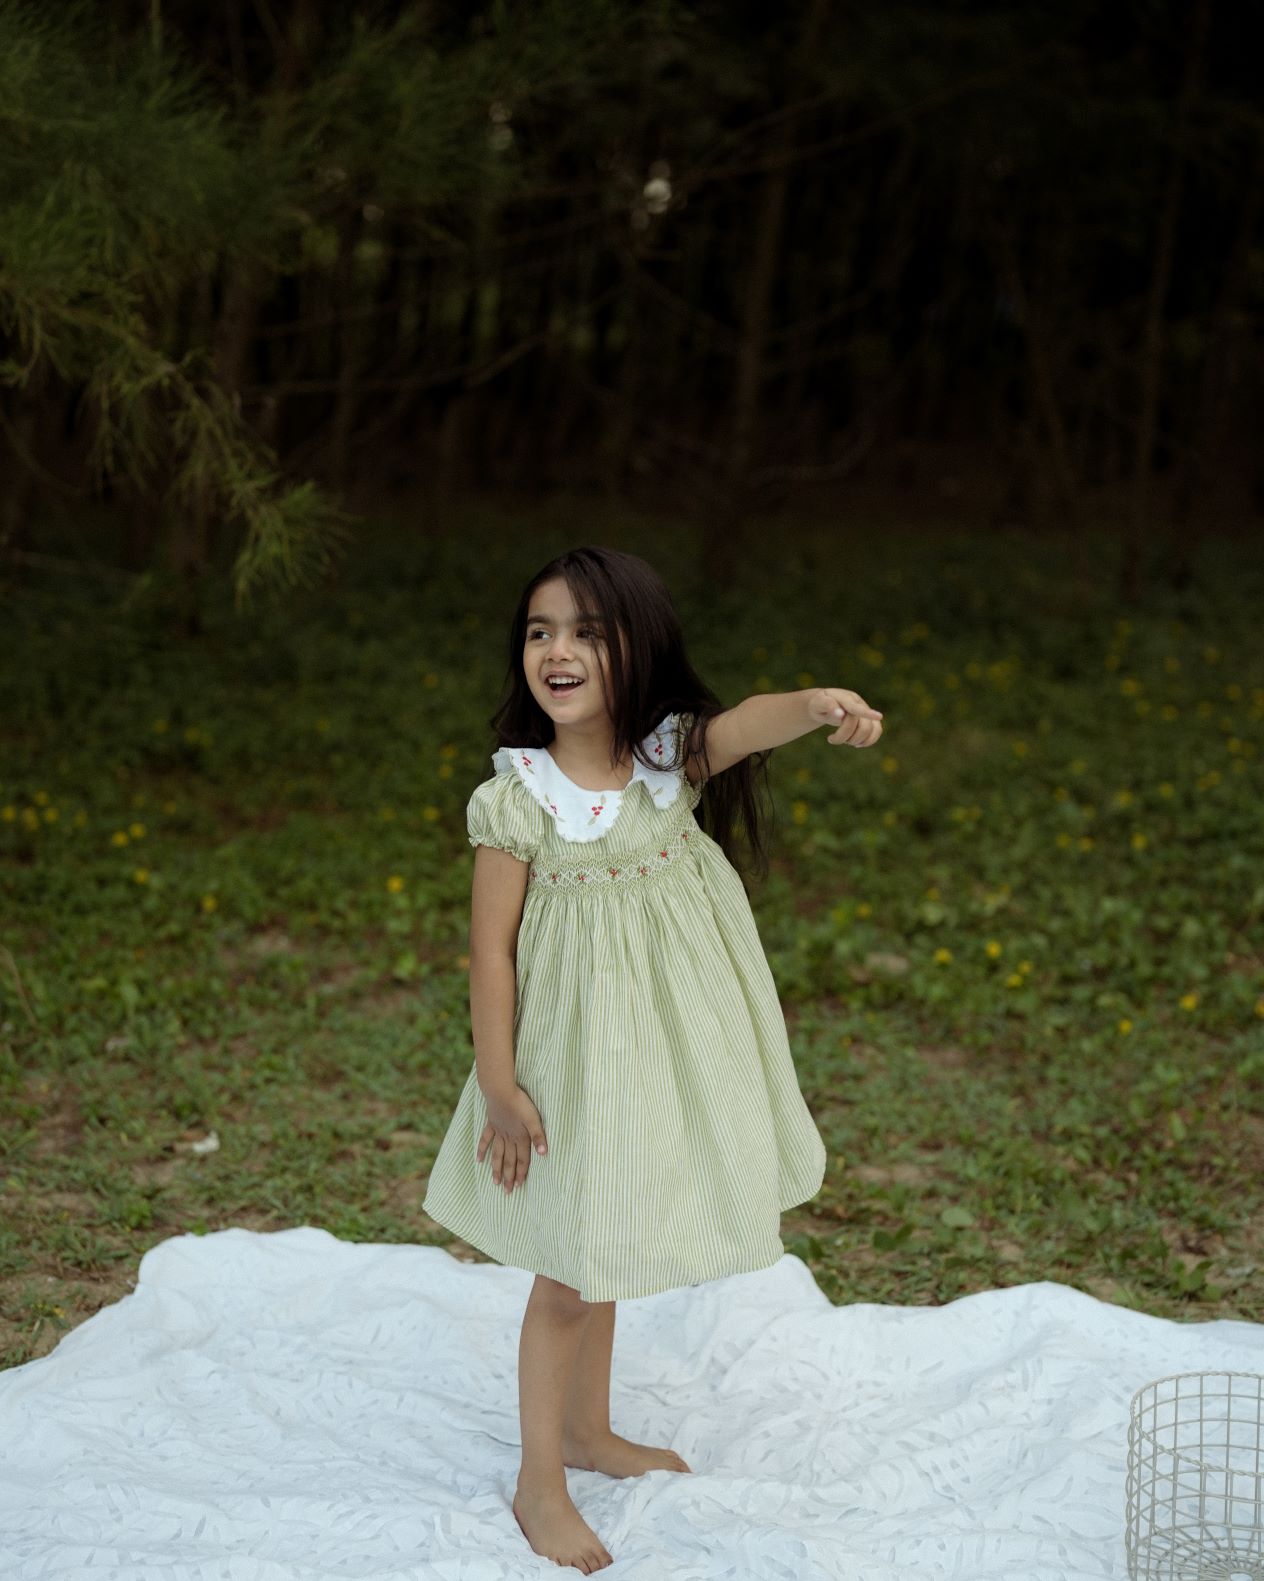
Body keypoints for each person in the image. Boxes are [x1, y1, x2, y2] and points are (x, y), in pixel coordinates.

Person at [421, 545, 884, 1574]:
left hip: (658, 1050)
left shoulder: (668, 759)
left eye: (587, 630)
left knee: (612, 1233)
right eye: (540, 630)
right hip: (567, 1057)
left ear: (638, 647)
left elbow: (747, 721)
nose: (558, 649)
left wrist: (814, 702)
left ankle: (589, 1431)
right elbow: (491, 952)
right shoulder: (518, 799)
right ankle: (540, 1479)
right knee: (568, 1272)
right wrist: (499, 1086)